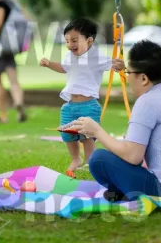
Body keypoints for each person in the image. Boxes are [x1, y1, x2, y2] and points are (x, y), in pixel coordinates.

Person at [71, 40, 161, 201]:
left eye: (128, 73)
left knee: (98, 159)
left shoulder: (147, 101)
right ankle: (122, 191)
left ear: (143, 78)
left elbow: (133, 157)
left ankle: (123, 191)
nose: (127, 78)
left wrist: (97, 131)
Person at [40, 19, 124, 177]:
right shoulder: (69, 56)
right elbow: (63, 68)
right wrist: (49, 63)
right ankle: (76, 158)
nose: (70, 44)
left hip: (89, 105)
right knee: (66, 133)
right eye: (67, 41)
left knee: (87, 136)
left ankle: (91, 161)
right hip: (70, 105)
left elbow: (114, 64)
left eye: (74, 40)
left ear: (89, 40)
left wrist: (120, 65)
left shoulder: (97, 57)